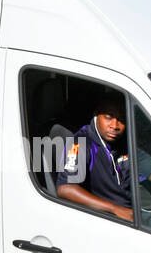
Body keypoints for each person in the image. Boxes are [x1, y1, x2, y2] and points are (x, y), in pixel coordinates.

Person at [55, 93, 134, 221]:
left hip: (136, 210)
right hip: (108, 217)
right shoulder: (81, 142)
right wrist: (114, 208)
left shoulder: (126, 141)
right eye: (108, 117)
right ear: (96, 115)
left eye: (122, 119)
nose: (115, 125)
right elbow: (66, 188)